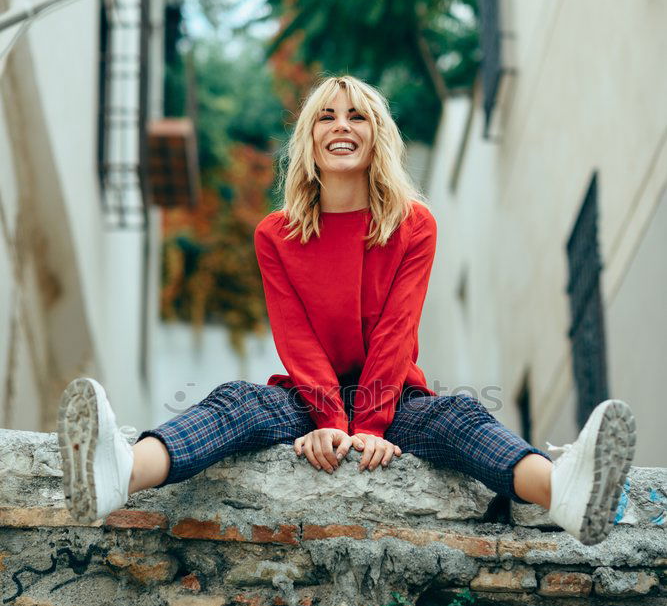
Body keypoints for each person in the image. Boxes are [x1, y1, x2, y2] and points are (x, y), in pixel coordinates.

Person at [57, 75, 636, 546]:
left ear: (376, 136)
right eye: (327, 117)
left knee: (459, 415)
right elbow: (297, 340)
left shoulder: (414, 224)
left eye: (357, 116)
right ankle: (119, 473)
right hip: (307, 397)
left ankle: (565, 492)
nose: (341, 126)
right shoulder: (276, 235)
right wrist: (332, 424)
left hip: (393, 398)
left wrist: (373, 426)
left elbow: (396, 332)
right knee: (236, 403)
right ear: (308, 139)